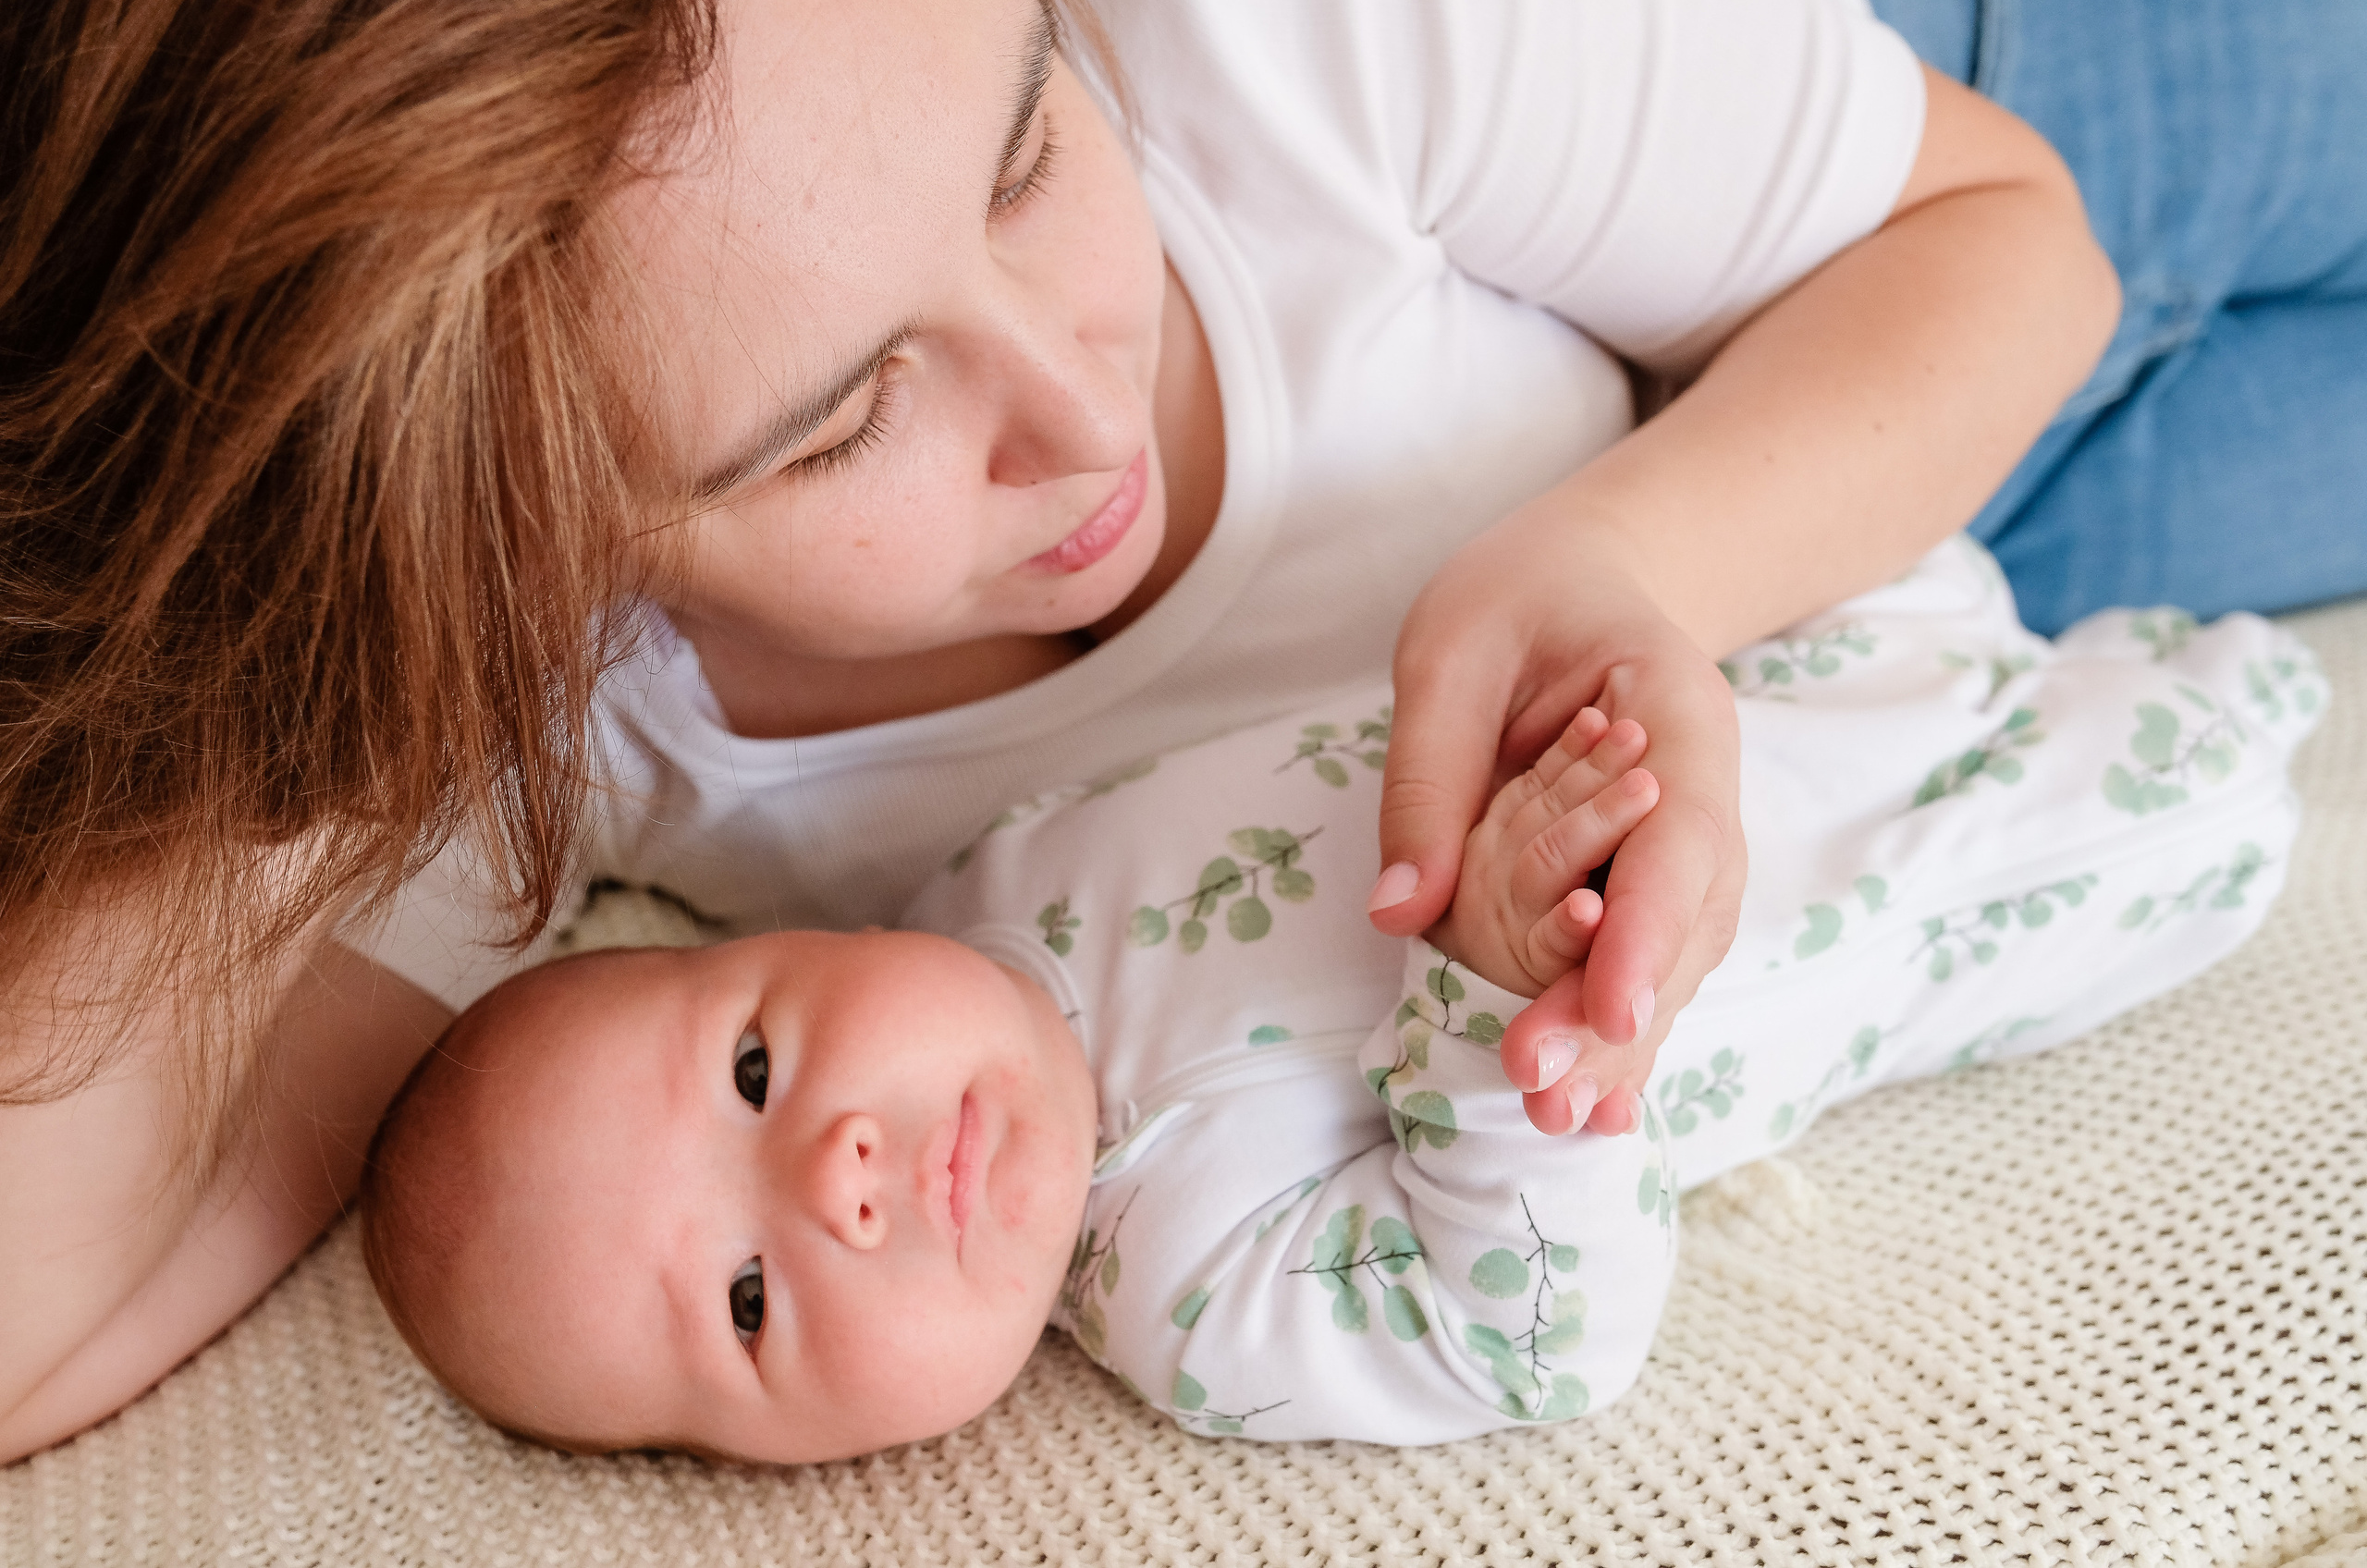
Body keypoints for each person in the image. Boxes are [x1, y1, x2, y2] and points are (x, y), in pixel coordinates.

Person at [7, 0, 2361, 1462]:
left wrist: (1632, 569)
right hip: (1999, 603)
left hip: (1922, 197)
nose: (1072, 399)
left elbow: (2001, 236)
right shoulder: (557, 702)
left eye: (1024, 149)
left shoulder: (1273, 37)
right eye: (830, 432)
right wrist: (224, 635)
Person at [358, 544, 2322, 1460]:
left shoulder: (973, 877)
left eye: (761, 1065)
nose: (843, 1174)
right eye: (751, 1300)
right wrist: (1479, 987)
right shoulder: (1196, 1303)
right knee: (2212, 771)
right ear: (791, 1466)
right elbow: (1528, 1336)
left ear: (773, 955)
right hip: (1947, 868)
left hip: (1773, 618)